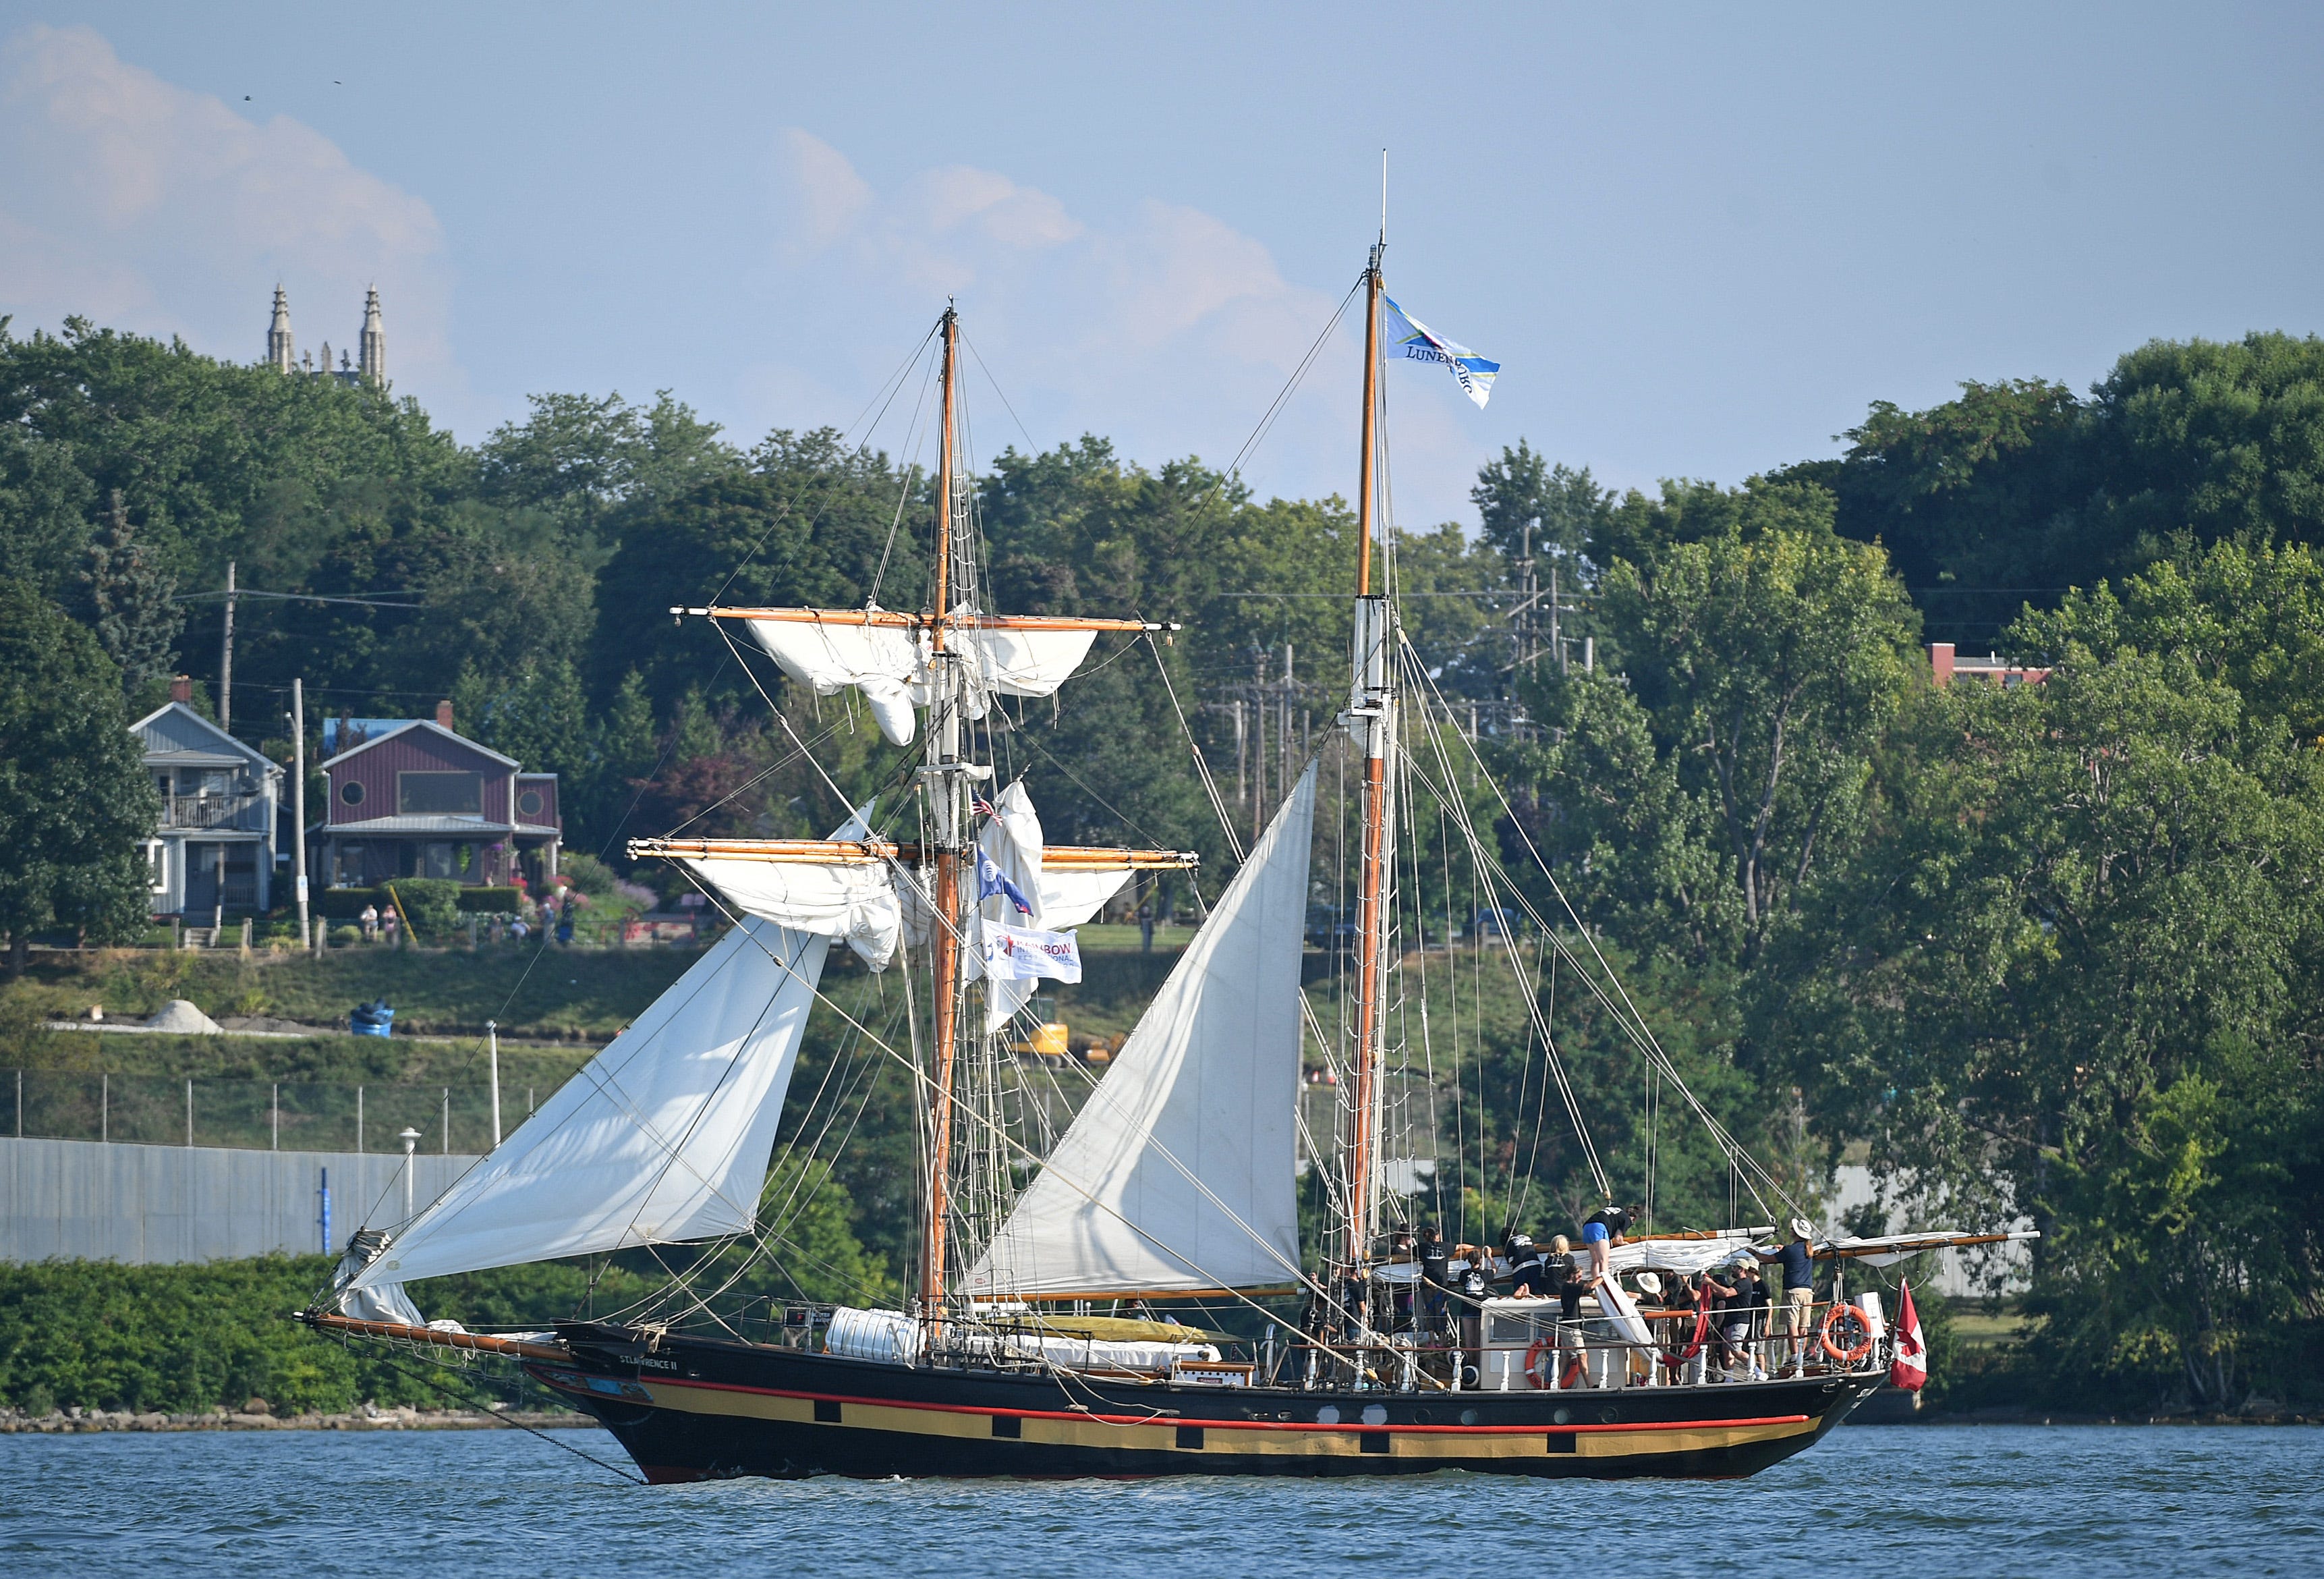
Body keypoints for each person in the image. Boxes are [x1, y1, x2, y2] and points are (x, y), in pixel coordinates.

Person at [1752, 1217, 1820, 1375]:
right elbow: (1792, 1254)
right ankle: (1801, 1355)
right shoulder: (1807, 1250)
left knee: (1792, 1324)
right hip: (1807, 1292)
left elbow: (1768, 1258)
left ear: (1795, 1233)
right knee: (1804, 1325)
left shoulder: (1789, 1251)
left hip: (1792, 1291)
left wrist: (1754, 1252)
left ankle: (1795, 1355)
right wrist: (1784, 1249)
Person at [1579, 1203, 1638, 1284]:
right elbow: (1618, 1238)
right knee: (1603, 1261)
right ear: (1633, 1218)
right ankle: (1605, 1284)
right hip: (1600, 1227)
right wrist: (1625, 1244)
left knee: (1595, 1260)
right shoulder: (1627, 1219)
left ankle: (1596, 1284)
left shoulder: (1616, 1211)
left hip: (1587, 1227)